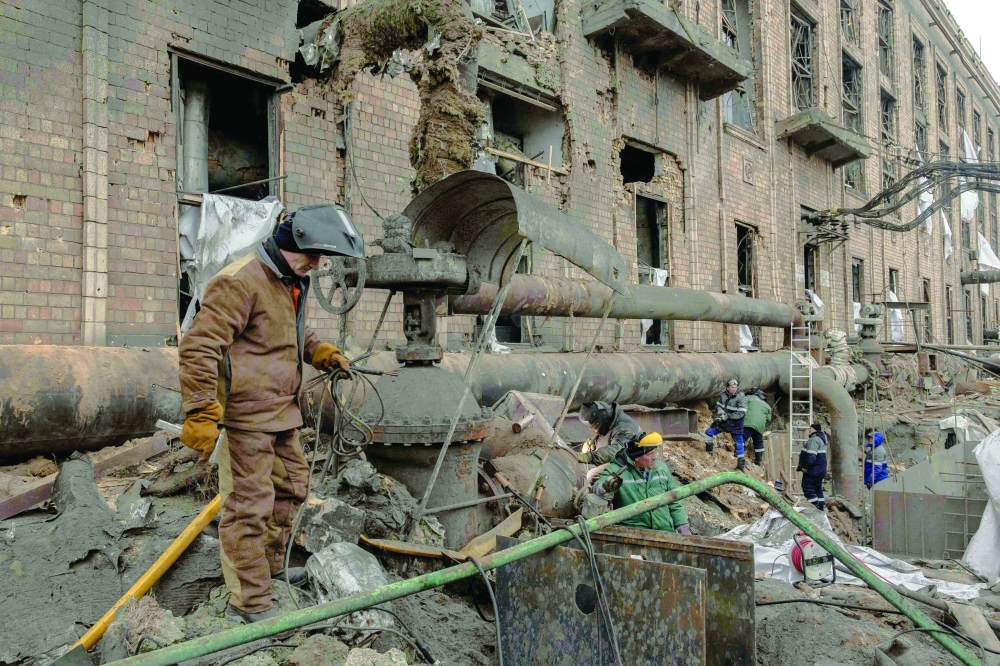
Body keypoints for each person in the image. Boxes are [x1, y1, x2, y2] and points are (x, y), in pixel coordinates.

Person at [179, 205, 363, 624]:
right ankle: (249, 602)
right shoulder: (240, 281)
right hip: (247, 419)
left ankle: (270, 570)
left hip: (282, 413)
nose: (316, 263)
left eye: (321, 257)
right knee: (249, 507)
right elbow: (199, 347)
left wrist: (318, 350)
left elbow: (286, 332)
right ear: (289, 242)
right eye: (312, 254)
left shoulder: (289, 279)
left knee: (291, 490)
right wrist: (201, 410)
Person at [593, 432, 691, 534]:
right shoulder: (616, 471)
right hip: (633, 534)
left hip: (664, 531)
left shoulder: (662, 469)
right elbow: (597, 490)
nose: (654, 457)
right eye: (649, 454)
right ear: (636, 457)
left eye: (654, 452)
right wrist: (604, 488)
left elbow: (674, 500)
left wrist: (682, 524)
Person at [575, 401, 642, 466]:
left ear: (601, 420)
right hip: (626, 462)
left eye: (593, 427)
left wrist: (589, 457)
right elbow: (609, 436)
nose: (594, 430)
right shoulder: (612, 420)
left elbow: (616, 450)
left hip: (636, 467)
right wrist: (594, 444)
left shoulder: (625, 428)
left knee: (593, 472)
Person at [705, 379, 749, 471]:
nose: (734, 389)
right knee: (708, 433)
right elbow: (718, 405)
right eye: (732, 387)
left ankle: (740, 466)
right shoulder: (723, 395)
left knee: (739, 443)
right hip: (724, 422)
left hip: (736, 423)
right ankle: (708, 453)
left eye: (735, 387)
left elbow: (741, 413)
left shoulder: (741, 397)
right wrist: (720, 410)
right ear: (728, 388)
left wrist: (728, 416)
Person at [798, 423, 828, 511]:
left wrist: (805, 467)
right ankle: (821, 508)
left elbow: (811, 456)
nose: (809, 430)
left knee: (808, 488)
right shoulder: (821, 439)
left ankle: (815, 508)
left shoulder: (814, 440)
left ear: (814, 429)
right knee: (818, 488)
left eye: (810, 428)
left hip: (813, 470)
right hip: (820, 470)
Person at [743, 389, 772, 466]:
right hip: (760, 427)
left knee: (741, 438)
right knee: (758, 443)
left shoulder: (749, 397)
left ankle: (739, 455)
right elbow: (769, 419)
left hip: (748, 423)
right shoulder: (767, 406)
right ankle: (759, 460)